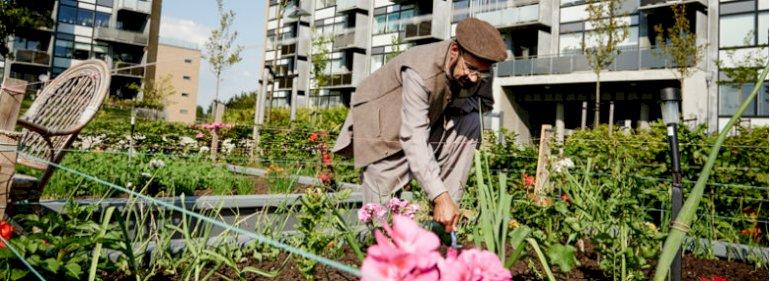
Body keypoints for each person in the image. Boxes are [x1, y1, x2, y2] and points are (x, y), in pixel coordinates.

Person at [332, 18, 507, 232]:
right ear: (454, 50)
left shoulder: (478, 68)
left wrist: (455, 99)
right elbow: (413, 137)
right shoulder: (420, 70)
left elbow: (483, 104)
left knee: (470, 121)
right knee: (381, 220)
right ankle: (374, 247)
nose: (473, 78)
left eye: (480, 73)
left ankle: (445, 220)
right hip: (381, 124)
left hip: (424, 119)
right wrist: (438, 195)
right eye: (470, 68)